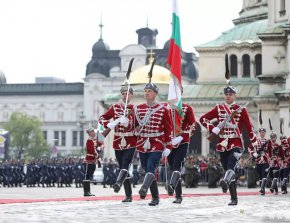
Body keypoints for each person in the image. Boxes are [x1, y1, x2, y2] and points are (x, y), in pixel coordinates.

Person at [200, 85, 257, 205]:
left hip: (236, 142)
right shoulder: (219, 108)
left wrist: (254, 141)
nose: (228, 96)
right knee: (227, 169)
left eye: (230, 94)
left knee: (231, 165)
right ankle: (233, 197)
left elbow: (249, 127)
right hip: (222, 143)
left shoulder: (241, 110)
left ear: (234, 96)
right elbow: (202, 119)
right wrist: (213, 128)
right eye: (226, 94)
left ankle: (226, 184)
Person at [132, 82, 173, 206]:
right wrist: (126, 123)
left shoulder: (163, 109)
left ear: (155, 94)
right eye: (145, 91)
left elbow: (168, 129)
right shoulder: (138, 109)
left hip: (157, 143)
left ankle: (144, 188)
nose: (146, 93)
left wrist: (169, 146)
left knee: (151, 167)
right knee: (147, 170)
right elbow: (134, 126)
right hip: (142, 143)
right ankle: (155, 197)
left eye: (149, 91)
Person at [99, 85, 136, 202]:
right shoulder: (115, 108)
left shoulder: (135, 109)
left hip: (131, 141)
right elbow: (102, 118)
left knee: (125, 164)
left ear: (132, 96)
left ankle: (118, 183)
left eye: (128, 94)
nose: (126, 96)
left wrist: (128, 124)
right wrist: (108, 125)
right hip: (118, 141)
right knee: (122, 168)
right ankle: (129, 195)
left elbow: (139, 125)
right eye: (124, 94)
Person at [166, 95, 196, 203]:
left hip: (182, 141)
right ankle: (178, 195)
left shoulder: (187, 108)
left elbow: (193, 125)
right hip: (169, 142)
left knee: (177, 165)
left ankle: (173, 188)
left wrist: (182, 136)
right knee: (172, 167)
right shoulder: (166, 108)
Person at [248, 128, 270, 195]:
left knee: (264, 174)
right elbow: (250, 148)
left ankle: (262, 189)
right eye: (261, 132)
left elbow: (271, 150)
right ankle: (262, 189)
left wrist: (266, 154)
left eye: (263, 132)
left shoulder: (268, 141)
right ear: (259, 133)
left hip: (265, 160)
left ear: (265, 133)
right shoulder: (256, 141)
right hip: (258, 160)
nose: (262, 133)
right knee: (260, 175)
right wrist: (253, 153)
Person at [83, 127, 102, 196]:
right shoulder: (89, 140)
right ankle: (86, 191)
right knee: (88, 174)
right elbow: (92, 150)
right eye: (92, 131)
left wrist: (100, 147)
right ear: (89, 133)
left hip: (93, 159)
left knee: (91, 173)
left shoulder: (95, 140)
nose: (94, 132)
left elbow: (101, 144)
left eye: (94, 131)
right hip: (90, 159)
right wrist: (97, 155)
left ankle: (88, 191)